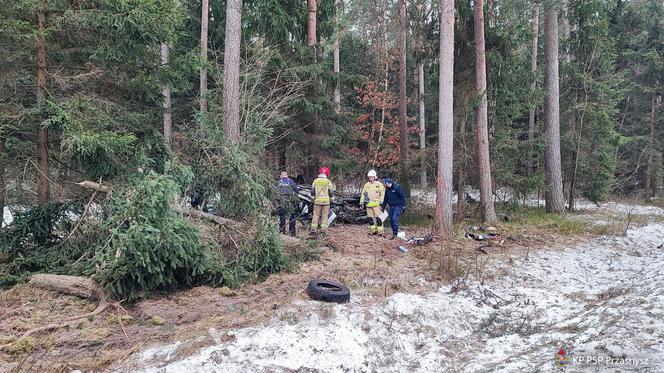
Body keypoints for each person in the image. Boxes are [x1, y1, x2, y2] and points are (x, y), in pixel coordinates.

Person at [360, 169, 385, 235]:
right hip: (368, 205)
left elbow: (382, 194)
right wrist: (361, 202)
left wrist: (381, 202)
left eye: (371, 177)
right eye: (369, 177)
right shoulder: (366, 185)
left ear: (375, 177)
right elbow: (363, 194)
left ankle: (381, 232)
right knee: (370, 219)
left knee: (379, 219)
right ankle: (373, 231)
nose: (370, 178)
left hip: (377, 205)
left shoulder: (379, 184)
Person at [311, 166, 334, 236]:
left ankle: (313, 230)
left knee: (315, 215)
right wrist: (332, 198)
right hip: (326, 202)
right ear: (327, 174)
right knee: (324, 216)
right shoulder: (328, 181)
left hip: (317, 201)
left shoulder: (316, 181)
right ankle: (323, 231)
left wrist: (313, 197)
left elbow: (312, 191)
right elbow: (331, 192)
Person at [276, 171, 298, 236]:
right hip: (291, 202)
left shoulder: (278, 182)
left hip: (282, 202)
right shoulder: (291, 181)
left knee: (282, 217)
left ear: (281, 176)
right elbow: (296, 190)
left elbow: (275, 192)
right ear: (287, 176)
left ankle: (282, 231)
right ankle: (292, 232)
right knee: (292, 217)